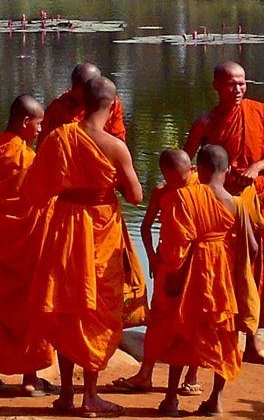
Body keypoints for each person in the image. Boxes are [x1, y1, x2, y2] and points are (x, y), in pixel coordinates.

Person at [25, 77, 147, 418]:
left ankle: (66, 393)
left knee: (67, 305)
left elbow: (36, 191)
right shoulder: (115, 146)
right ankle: (90, 396)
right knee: (98, 308)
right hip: (100, 226)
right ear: (111, 105)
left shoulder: (59, 137)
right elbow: (136, 196)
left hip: (65, 224)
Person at [186, 61, 264, 365]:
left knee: (254, 270)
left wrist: (256, 168)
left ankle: (253, 341)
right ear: (217, 85)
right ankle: (213, 342)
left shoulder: (261, 113)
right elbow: (186, 160)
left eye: (243, 83)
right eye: (232, 84)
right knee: (219, 273)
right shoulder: (206, 122)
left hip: (252, 202)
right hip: (218, 207)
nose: (239, 89)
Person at [155, 145, 256, 417]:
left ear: (197, 169)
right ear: (228, 169)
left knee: (182, 332)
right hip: (224, 279)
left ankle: (171, 399)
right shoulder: (238, 204)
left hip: (192, 275)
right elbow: (253, 248)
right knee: (224, 336)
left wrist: (172, 274)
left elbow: (176, 244)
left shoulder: (186, 196)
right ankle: (215, 401)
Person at [0, 95, 55, 395]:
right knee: (29, 305)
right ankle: (29, 379)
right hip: (28, 245)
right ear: (26, 122)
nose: (41, 130)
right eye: (39, 123)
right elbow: (45, 201)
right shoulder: (30, 161)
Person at [113, 148, 199, 395]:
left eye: (184, 177)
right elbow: (146, 225)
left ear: (191, 170)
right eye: (175, 179)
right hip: (167, 263)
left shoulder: (201, 189)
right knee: (159, 319)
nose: (181, 184)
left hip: (196, 266)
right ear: (165, 174)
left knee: (193, 320)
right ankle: (145, 374)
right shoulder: (162, 192)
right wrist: (151, 257)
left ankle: (191, 376)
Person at [39, 63, 128, 145]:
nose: (85, 101)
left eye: (88, 96)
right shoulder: (58, 108)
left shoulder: (110, 102)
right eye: (79, 95)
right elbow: (44, 145)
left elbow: (118, 138)